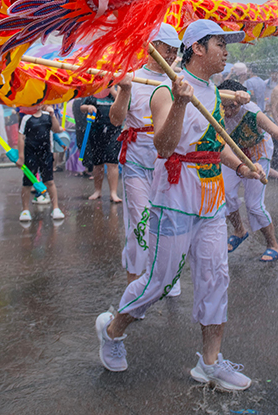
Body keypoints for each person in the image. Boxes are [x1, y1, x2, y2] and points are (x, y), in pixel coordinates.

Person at [96, 19, 263, 390]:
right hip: (174, 198)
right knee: (159, 281)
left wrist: (241, 166)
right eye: (220, 43)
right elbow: (164, 147)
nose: (226, 51)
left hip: (211, 200)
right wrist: (180, 104)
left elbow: (213, 145)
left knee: (216, 276)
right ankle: (112, 330)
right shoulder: (165, 90)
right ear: (198, 48)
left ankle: (210, 362)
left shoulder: (216, 93)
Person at [109, 23, 181, 284]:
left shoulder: (178, 81)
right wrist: (125, 90)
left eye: (175, 50)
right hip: (137, 164)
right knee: (140, 222)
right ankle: (135, 280)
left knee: (169, 220)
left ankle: (166, 279)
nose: (172, 55)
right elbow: (116, 120)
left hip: (169, 165)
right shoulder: (133, 78)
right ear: (152, 48)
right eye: (167, 49)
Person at [218, 79, 278, 262]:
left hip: (258, 154)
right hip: (235, 154)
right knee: (225, 194)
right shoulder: (216, 110)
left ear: (241, 102)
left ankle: (273, 245)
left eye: (232, 107)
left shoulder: (251, 111)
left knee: (254, 205)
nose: (227, 112)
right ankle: (239, 231)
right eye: (224, 107)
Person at [18, 105, 65, 221]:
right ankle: (25, 210)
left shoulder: (47, 116)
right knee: (27, 182)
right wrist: (21, 156)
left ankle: (56, 208)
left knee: (49, 181)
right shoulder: (26, 118)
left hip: (46, 153)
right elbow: (21, 137)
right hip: (30, 153)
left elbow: (56, 129)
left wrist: (53, 115)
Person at [80, 88, 123, 203]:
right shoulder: (94, 92)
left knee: (112, 162)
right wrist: (88, 108)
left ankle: (113, 193)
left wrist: (113, 91)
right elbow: (82, 107)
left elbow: (123, 103)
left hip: (113, 130)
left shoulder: (115, 92)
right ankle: (97, 190)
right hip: (96, 130)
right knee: (97, 162)